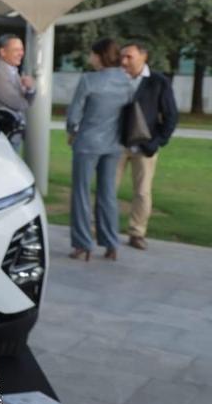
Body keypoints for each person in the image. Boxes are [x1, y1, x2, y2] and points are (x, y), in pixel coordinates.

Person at [66, 37, 135, 261]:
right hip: (114, 144)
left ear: (99, 55)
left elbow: (74, 114)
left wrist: (72, 131)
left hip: (87, 143)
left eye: (92, 54)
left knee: (81, 194)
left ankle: (83, 244)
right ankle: (111, 243)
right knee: (108, 195)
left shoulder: (89, 80)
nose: (90, 58)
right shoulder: (126, 81)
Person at [117, 41, 178, 251]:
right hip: (116, 145)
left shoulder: (158, 81)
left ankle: (137, 233)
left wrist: (157, 142)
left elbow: (171, 116)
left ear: (144, 57)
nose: (123, 61)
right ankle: (103, 229)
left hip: (145, 147)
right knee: (108, 189)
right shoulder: (116, 78)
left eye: (129, 57)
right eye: (122, 56)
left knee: (142, 192)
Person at [0, 33, 36, 148]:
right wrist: (30, 90)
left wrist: (29, 90)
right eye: (16, 50)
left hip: (10, 135)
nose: (21, 53)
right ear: (3, 52)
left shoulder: (12, 71)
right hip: (3, 137)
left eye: (22, 49)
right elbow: (18, 104)